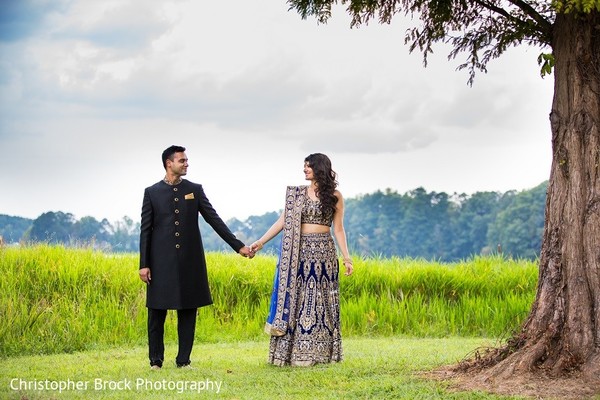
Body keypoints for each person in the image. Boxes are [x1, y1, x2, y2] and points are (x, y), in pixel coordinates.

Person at [139, 145, 254, 370]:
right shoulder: (151, 192)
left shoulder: (195, 189)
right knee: (156, 312)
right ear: (168, 163)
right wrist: (144, 264)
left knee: (188, 310)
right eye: (182, 160)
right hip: (160, 262)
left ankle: (183, 360)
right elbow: (145, 230)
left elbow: (214, 219)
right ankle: (156, 360)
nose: (186, 164)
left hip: (190, 261)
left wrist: (238, 246)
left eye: (186, 160)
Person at [250, 153, 353, 366]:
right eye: (304, 166)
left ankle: (321, 353)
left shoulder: (334, 195)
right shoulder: (296, 194)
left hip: (325, 253)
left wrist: (347, 258)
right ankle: (291, 354)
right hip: (298, 254)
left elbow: (339, 229)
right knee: (296, 301)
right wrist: (260, 243)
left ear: (320, 168)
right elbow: (282, 221)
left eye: (308, 166)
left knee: (321, 302)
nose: (304, 170)